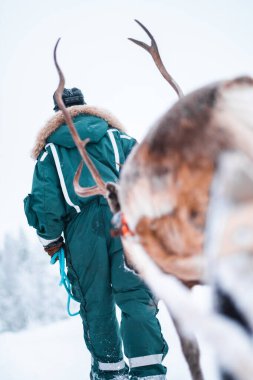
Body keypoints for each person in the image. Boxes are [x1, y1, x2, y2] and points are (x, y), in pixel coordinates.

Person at [24, 88, 168, 380]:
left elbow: (45, 202)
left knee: (95, 302)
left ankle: (109, 371)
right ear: (86, 108)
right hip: (124, 219)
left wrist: (51, 241)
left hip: (82, 231)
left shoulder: (50, 152)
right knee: (136, 295)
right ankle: (149, 371)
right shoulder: (119, 139)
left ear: (57, 115)